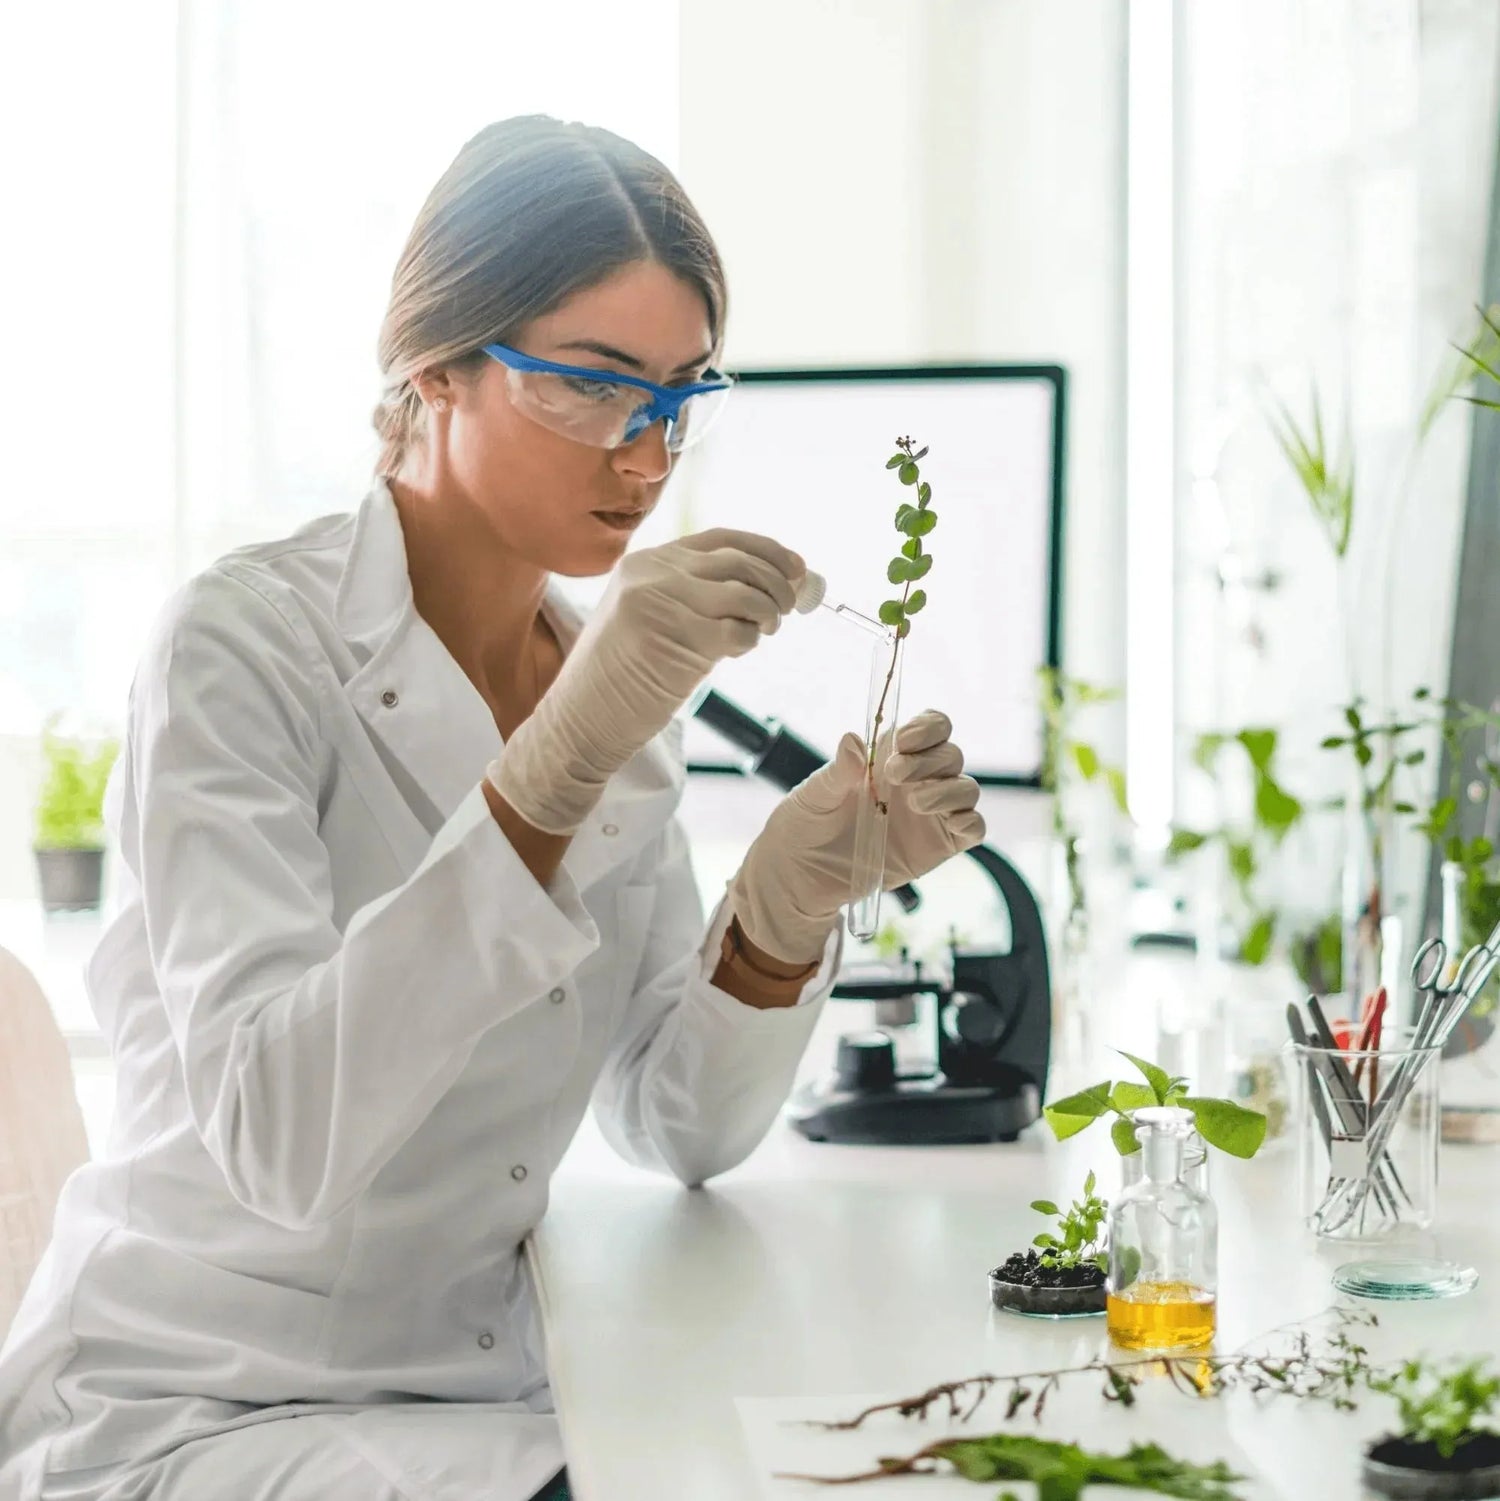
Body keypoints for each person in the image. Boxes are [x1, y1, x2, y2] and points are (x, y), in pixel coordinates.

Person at [0, 115, 984, 1501]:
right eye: (588, 387)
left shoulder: (608, 684)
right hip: (203, 1393)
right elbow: (283, 1137)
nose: (643, 458)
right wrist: (553, 765)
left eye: (677, 398)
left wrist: (777, 912)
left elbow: (673, 1123)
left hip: (481, 1378)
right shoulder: (243, 649)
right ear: (435, 367)